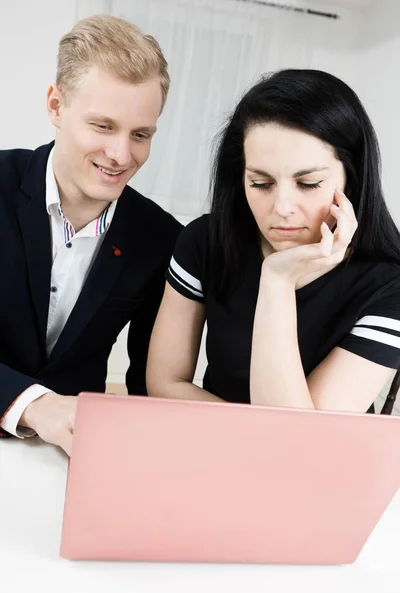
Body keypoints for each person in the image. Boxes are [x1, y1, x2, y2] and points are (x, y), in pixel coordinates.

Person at [147, 69, 400, 413]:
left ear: (351, 180)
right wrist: (245, 438)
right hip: (213, 445)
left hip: (321, 463)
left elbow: (296, 436)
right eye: (261, 183)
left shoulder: (390, 287)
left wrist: (278, 280)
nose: (281, 209)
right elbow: (165, 383)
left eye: (308, 183)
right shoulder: (204, 242)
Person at [0, 14, 182, 455]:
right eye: (103, 126)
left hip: (71, 460)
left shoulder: (162, 238)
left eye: (141, 134)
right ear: (56, 106)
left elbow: (146, 385)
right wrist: (34, 406)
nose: (121, 155)